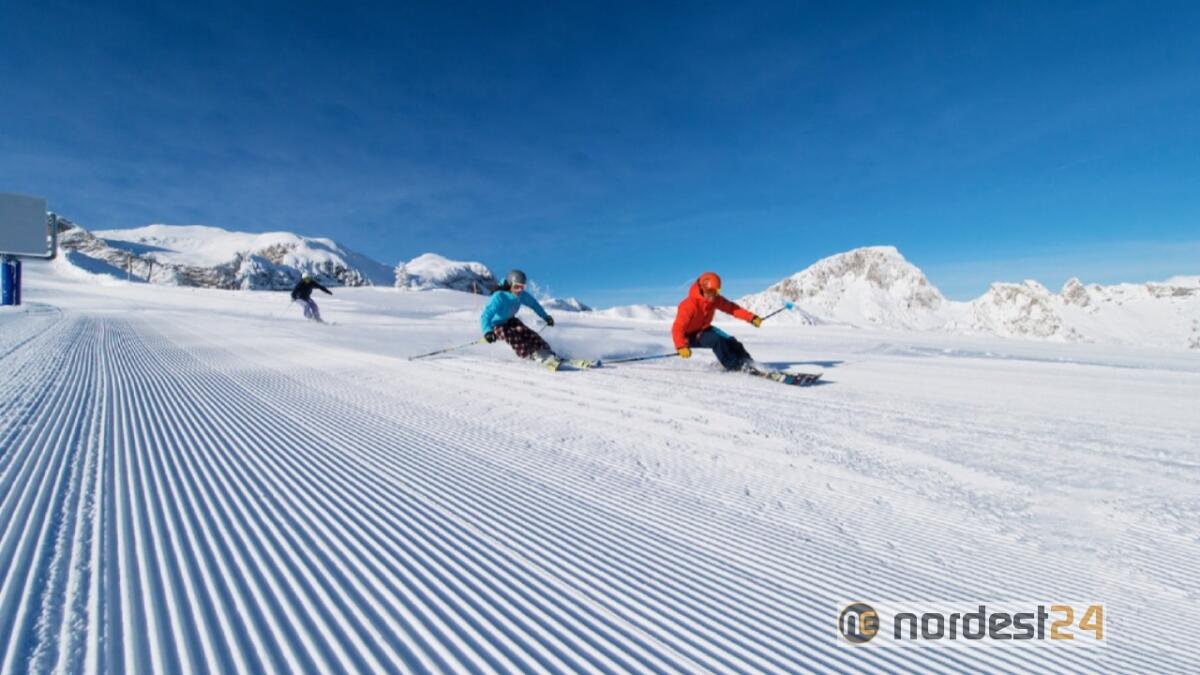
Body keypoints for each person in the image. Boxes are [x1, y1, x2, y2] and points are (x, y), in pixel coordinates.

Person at [672, 271, 764, 371]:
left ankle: (749, 363)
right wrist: (681, 346)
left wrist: (751, 318)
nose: (713, 295)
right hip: (689, 336)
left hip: (704, 329)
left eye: (716, 291)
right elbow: (678, 327)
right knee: (717, 340)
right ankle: (735, 366)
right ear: (703, 288)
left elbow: (732, 308)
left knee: (731, 341)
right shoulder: (689, 305)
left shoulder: (715, 299)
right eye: (710, 292)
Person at [481, 269, 559, 366]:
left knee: (526, 332)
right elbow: (485, 316)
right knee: (512, 335)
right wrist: (487, 331)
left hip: (510, 320)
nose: (519, 290)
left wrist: (546, 317)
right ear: (510, 285)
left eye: (522, 287)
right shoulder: (499, 297)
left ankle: (547, 351)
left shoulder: (522, 295)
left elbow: (534, 305)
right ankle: (530, 354)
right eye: (516, 287)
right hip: (496, 325)